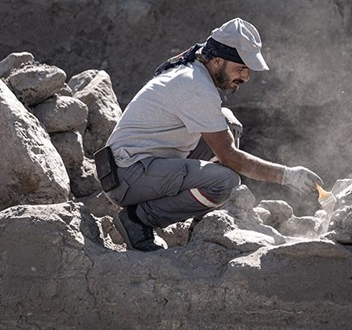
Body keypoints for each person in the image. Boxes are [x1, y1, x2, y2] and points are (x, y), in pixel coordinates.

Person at [102, 18, 325, 251]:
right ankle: (138, 220)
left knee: (228, 121)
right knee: (224, 182)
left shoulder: (195, 69)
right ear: (217, 61)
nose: (246, 77)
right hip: (127, 177)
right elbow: (230, 157)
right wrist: (287, 175)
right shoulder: (196, 86)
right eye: (240, 69)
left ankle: (200, 223)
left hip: (137, 168)